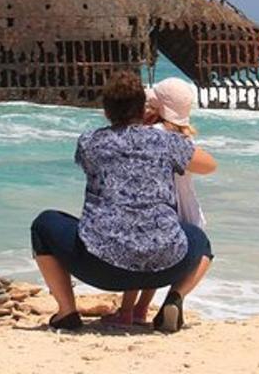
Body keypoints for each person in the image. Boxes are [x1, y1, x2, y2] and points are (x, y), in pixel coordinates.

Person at [30, 71, 217, 333]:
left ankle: (67, 312)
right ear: (143, 108)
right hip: (165, 264)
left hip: (101, 268)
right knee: (201, 240)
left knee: (44, 224)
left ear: (106, 111)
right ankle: (174, 299)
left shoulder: (89, 142)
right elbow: (209, 165)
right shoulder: (166, 142)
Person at [106, 78, 205, 326]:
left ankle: (127, 311)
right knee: (204, 255)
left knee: (142, 256)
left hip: (159, 212)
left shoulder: (150, 135)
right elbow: (208, 166)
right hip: (189, 218)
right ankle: (165, 301)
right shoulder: (185, 140)